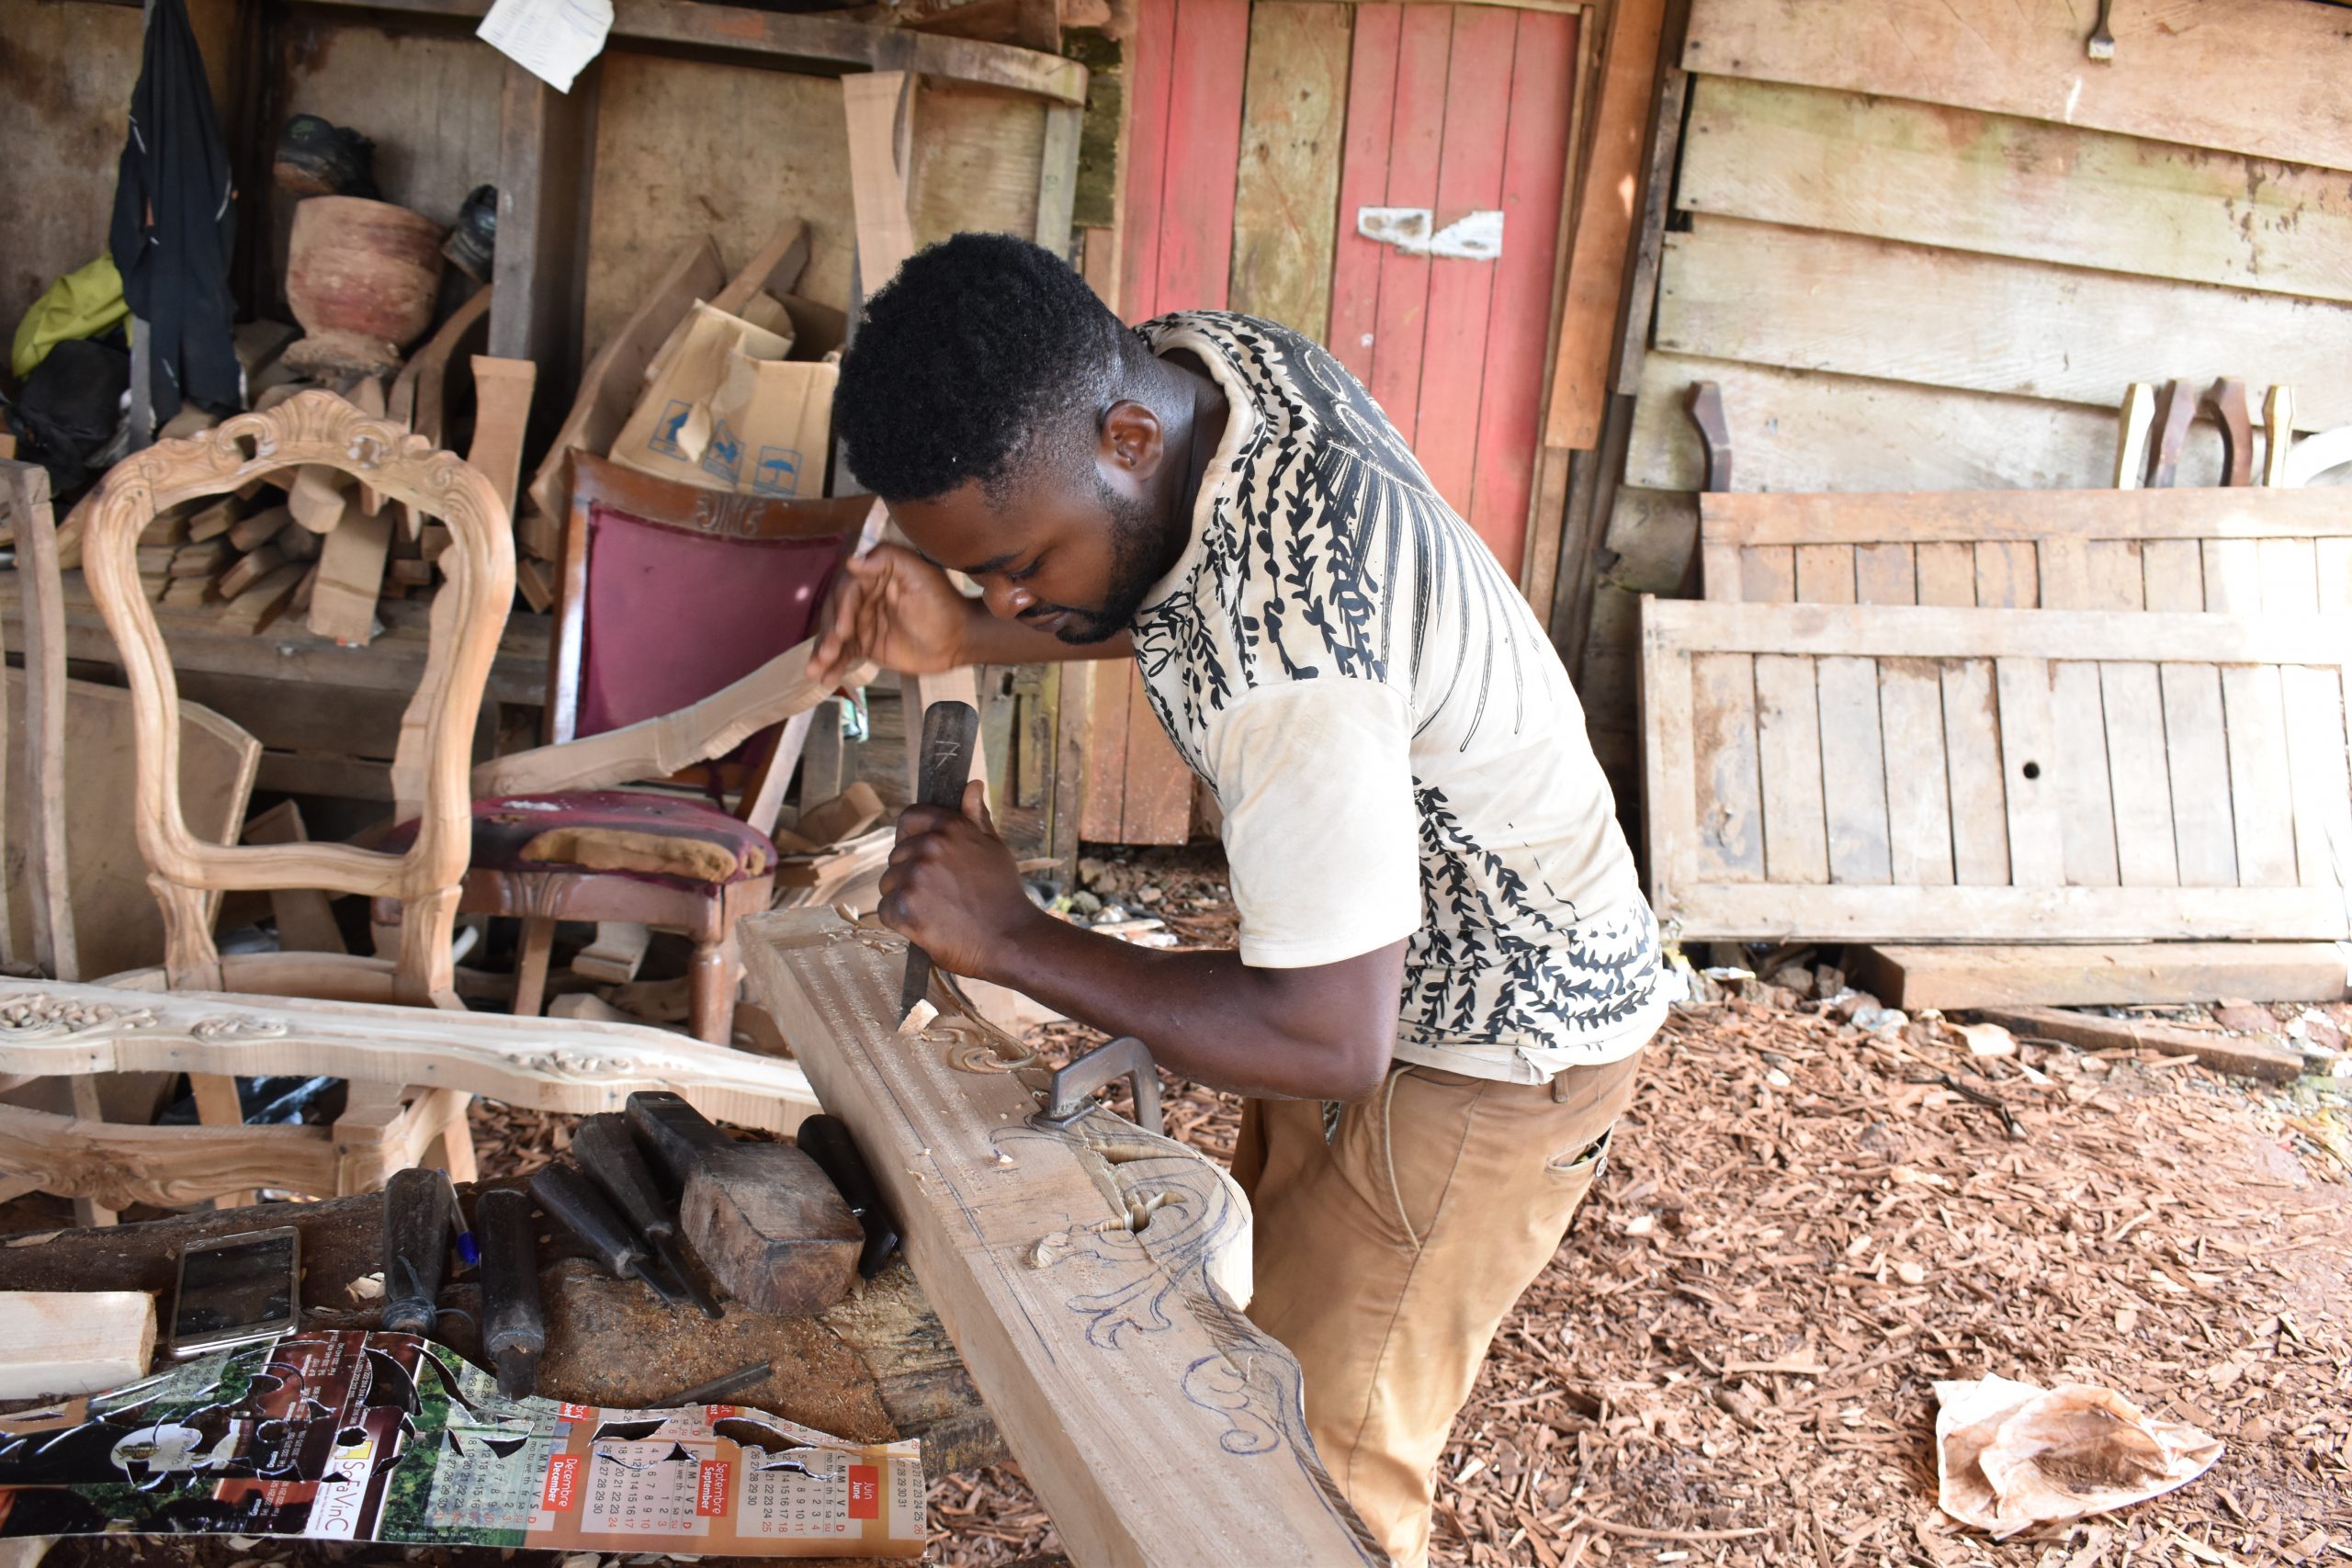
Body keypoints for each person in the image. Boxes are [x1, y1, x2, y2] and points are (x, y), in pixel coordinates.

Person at [810, 232, 1672, 1568]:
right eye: (986, 575)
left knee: (1316, 1491)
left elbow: (1331, 1037)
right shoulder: (1208, 367)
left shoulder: (1293, 646)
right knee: (1256, 1373)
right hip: (1373, 960)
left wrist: (1015, 937)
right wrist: (968, 632)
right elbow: (1156, 582)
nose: (1010, 594)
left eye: (1021, 561)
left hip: (1493, 1040)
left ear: (1128, 439)